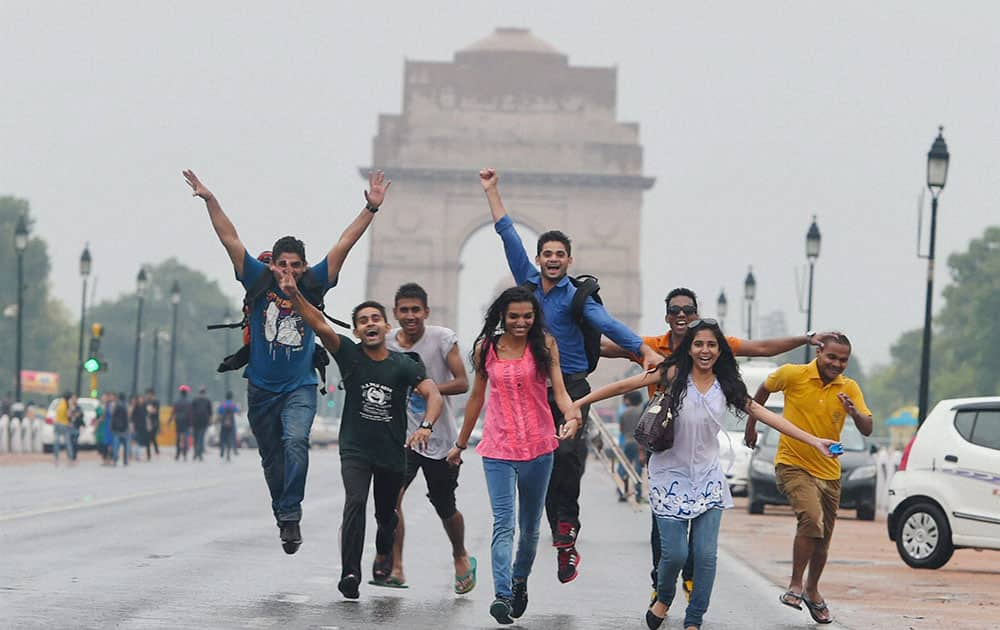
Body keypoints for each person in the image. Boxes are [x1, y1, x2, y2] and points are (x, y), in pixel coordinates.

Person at [571, 318, 838, 630]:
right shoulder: (672, 374)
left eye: (712, 344)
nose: (705, 350)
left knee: (706, 556)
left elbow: (765, 414)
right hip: (668, 476)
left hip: (708, 479)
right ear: (689, 348)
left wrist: (814, 441)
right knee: (674, 556)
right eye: (699, 344)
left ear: (720, 350)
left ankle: (694, 620)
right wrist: (579, 403)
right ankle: (665, 596)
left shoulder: (726, 385)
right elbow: (624, 386)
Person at [184, 168, 390, 554]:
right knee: (271, 458)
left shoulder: (314, 283)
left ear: (304, 266)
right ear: (273, 265)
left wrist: (370, 209)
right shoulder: (258, 279)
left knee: (295, 441)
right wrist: (211, 200)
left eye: (296, 264)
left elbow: (344, 243)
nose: (290, 271)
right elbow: (230, 238)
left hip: (300, 385)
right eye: (283, 264)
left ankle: (291, 514)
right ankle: (283, 511)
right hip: (261, 388)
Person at [480, 167, 663, 584]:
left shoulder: (578, 296)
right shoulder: (525, 287)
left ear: (568, 260)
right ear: (540, 258)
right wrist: (492, 191)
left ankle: (567, 526)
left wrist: (642, 349)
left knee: (568, 455)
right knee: (541, 464)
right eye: (547, 254)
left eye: (560, 255)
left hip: (573, 387)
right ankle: (559, 534)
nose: (553, 260)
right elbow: (508, 234)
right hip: (530, 387)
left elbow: (608, 323)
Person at [277, 269, 443, 599]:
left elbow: (434, 395)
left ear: (386, 327)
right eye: (363, 320)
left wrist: (425, 426)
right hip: (355, 449)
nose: (369, 324)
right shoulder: (349, 355)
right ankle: (350, 572)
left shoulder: (404, 364)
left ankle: (384, 551)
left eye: (375, 319)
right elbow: (319, 324)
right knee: (355, 503)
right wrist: (294, 295)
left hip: (391, 454)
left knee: (386, 517)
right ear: (356, 330)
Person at [446, 287, 583, 625]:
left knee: (530, 528)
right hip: (498, 447)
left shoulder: (545, 345)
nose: (521, 322)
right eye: (514, 316)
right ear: (502, 317)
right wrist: (461, 444)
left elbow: (561, 392)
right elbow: (476, 399)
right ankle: (502, 594)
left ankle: (519, 580)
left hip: (539, 446)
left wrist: (573, 417)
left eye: (527, 316)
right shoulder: (485, 349)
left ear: (534, 317)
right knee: (503, 524)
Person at [744, 333, 872, 625]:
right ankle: (795, 585)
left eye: (843, 360)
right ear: (819, 353)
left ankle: (813, 590)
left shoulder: (849, 388)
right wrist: (752, 424)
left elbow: (867, 427)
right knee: (811, 521)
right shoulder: (792, 374)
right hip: (792, 463)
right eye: (832, 357)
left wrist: (853, 412)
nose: (837, 364)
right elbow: (762, 391)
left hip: (829, 471)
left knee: (823, 539)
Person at [384, 283, 475, 593]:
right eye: (404, 310)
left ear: (426, 312)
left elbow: (463, 382)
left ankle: (460, 554)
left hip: (440, 438)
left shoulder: (442, 338)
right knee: (391, 501)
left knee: (444, 504)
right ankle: (396, 566)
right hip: (403, 438)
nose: (410, 316)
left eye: (415, 310)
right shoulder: (385, 342)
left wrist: (425, 386)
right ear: (395, 313)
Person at [617, 390, 645, 501]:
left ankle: (622, 491)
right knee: (637, 469)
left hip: (627, 442)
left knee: (624, 468)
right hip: (639, 444)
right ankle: (638, 494)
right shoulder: (642, 412)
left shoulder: (624, 413)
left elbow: (621, 429)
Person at [170, 385, 193, 461]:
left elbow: (173, 412)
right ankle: (185, 454)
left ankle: (177, 454)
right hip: (186, 422)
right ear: (186, 393)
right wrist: (191, 424)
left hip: (178, 421)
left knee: (178, 437)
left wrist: (170, 420)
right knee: (185, 437)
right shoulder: (188, 403)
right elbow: (190, 414)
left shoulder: (177, 402)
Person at [191, 386, 213, 462]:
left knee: (196, 438)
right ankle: (199, 454)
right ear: (204, 393)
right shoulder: (207, 401)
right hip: (204, 422)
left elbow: (191, 411)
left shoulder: (195, 400)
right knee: (201, 438)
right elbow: (210, 413)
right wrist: (210, 421)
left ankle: (195, 454)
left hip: (195, 422)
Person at [52, 392, 74, 465]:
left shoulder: (59, 401)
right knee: (67, 442)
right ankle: (70, 459)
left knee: (56, 442)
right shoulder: (68, 403)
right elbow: (69, 414)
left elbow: (56, 410)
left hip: (57, 423)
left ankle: (56, 459)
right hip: (65, 424)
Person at [217, 391, 239, 462]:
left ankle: (222, 451)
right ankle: (229, 454)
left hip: (223, 424)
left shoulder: (223, 404)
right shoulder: (233, 404)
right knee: (231, 438)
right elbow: (237, 411)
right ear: (231, 397)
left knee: (223, 438)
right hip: (231, 424)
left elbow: (219, 412)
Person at [110, 392, 131, 467]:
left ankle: (115, 459)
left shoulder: (115, 404)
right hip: (125, 428)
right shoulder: (127, 405)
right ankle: (125, 460)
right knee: (126, 445)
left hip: (116, 428)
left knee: (116, 445)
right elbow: (128, 416)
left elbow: (112, 414)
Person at [130, 394, 150, 462]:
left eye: (142, 398)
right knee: (136, 440)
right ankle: (136, 455)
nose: (141, 400)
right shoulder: (136, 407)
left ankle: (139, 455)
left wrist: (148, 425)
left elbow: (147, 417)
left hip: (143, 427)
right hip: (137, 426)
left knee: (142, 441)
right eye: (139, 399)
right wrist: (132, 426)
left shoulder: (144, 407)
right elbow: (132, 418)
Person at [145, 388, 161, 458]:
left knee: (152, 436)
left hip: (154, 422)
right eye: (147, 394)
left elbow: (155, 411)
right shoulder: (146, 402)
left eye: (149, 394)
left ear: (152, 395)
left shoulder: (156, 402)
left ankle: (156, 450)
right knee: (148, 438)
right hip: (148, 422)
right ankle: (149, 454)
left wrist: (149, 410)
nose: (148, 396)